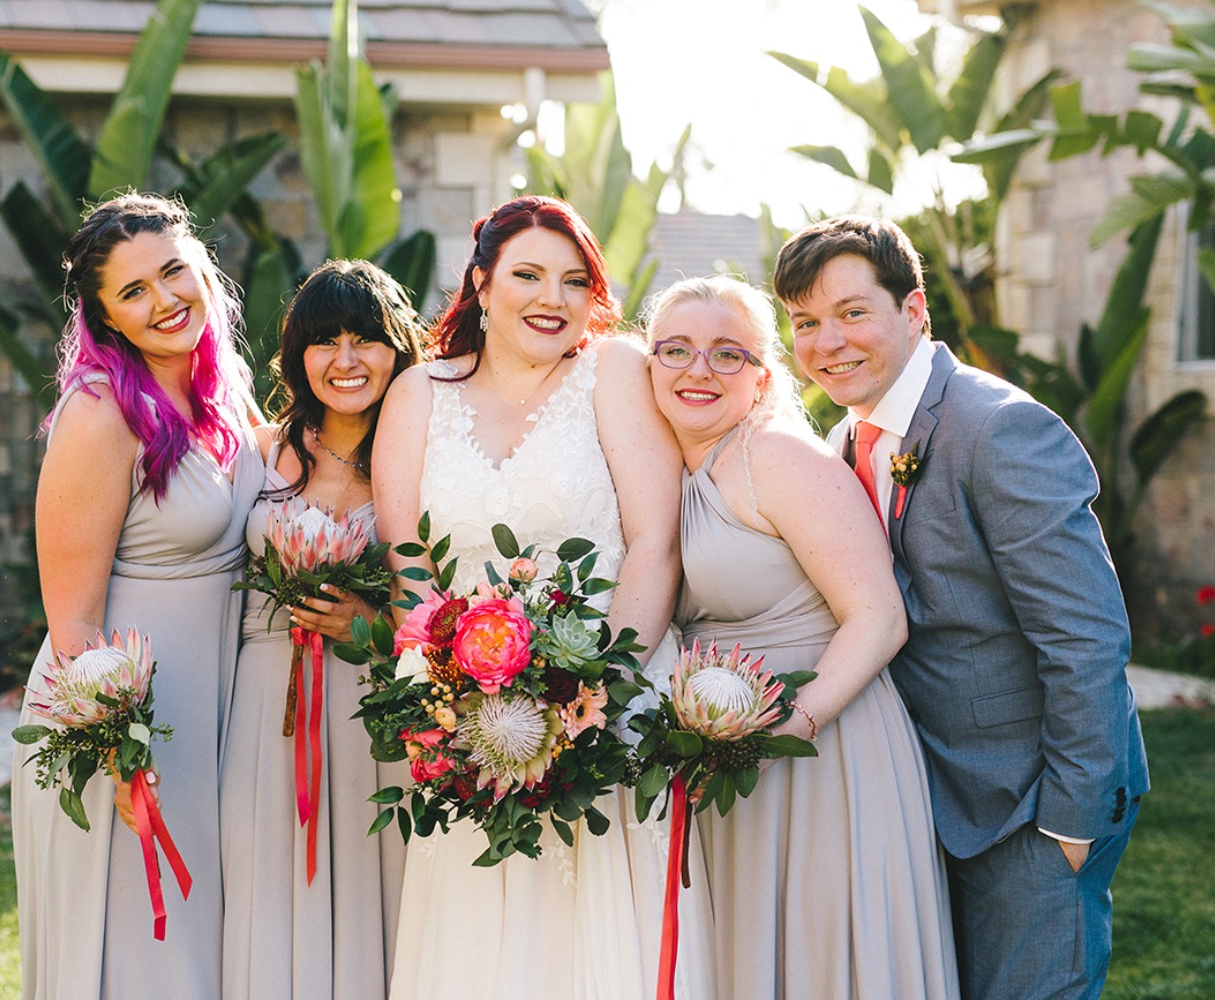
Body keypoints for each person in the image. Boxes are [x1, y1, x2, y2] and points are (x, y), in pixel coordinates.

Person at [774, 215, 1149, 1000]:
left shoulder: (999, 429)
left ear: (913, 311)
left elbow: (1084, 638)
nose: (826, 341)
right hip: (923, 804)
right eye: (805, 322)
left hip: (1026, 809)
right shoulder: (844, 440)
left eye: (851, 312)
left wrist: (1071, 825)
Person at [372, 195, 714, 1000]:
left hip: (606, 704)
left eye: (572, 281)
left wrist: (591, 690)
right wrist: (447, 707)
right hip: (466, 723)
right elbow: (409, 576)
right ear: (482, 286)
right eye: (527, 274)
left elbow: (652, 546)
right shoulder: (418, 393)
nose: (550, 299)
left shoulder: (613, 370)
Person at [647, 275, 959, 999]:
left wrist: (795, 723)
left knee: (822, 961)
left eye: (728, 354)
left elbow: (878, 616)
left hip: (822, 746)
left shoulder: (775, 456)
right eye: (676, 350)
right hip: (727, 750)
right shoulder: (672, 466)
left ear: (761, 376)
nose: (699, 370)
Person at [11, 193, 264, 998]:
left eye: (173, 272)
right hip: (129, 728)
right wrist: (121, 754)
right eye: (134, 292)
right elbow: (73, 619)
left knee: (200, 949)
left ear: (201, 270)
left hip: (213, 711)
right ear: (105, 318)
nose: (164, 302)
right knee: (143, 954)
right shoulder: (99, 411)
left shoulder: (223, 391)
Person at [219, 258, 424, 999]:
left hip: (374, 712)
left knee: (381, 883)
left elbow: (439, 604)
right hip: (262, 706)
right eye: (324, 341)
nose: (345, 361)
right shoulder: (258, 452)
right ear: (297, 356)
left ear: (397, 349)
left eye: (365, 339)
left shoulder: (418, 462)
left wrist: (372, 626)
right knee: (264, 883)